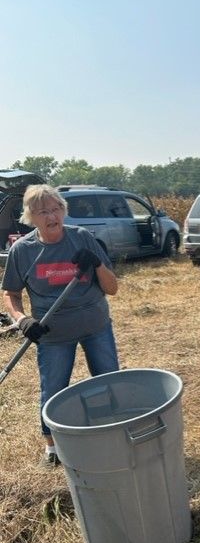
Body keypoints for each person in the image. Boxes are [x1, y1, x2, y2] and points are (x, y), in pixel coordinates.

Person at [1, 185, 120, 467]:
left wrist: (97, 265)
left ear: (64, 211)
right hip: (52, 333)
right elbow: (11, 294)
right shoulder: (23, 250)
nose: (51, 216)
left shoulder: (82, 239)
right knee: (53, 389)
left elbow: (112, 288)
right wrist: (22, 320)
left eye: (56, 209)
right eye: (43, 211)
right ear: (30, 217)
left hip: (95, 325)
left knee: (108, 380)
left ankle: (112, 433)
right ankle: (52, 449)